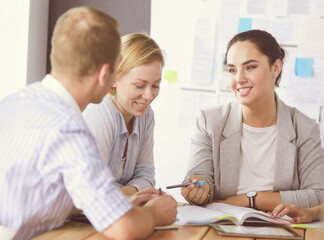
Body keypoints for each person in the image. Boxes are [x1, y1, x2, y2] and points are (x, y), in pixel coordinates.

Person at [0, 6, 177, 240]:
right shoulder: (69, 129)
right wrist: (154, 214)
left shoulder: (11, 102)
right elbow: (123, 228)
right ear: (107, 75)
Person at [181, 29, 324, 211]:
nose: (239, 79)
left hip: (279, 229)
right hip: (222, 226)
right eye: (232, 69)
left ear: (276, 68)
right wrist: (201, 190)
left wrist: (250, 199)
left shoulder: (303, 127)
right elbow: (200, 177)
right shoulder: (210, 122)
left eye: (250, 67)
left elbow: (318, 195)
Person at [83, 32, 163, 196]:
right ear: (113, 79)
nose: (149, 96)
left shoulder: (146, 116)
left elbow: (146, 175)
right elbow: (94, 191)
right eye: (140, 85)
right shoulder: (100, 112)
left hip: (114, 209)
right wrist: (134, 192)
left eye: (155, 85)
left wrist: (125, 192)